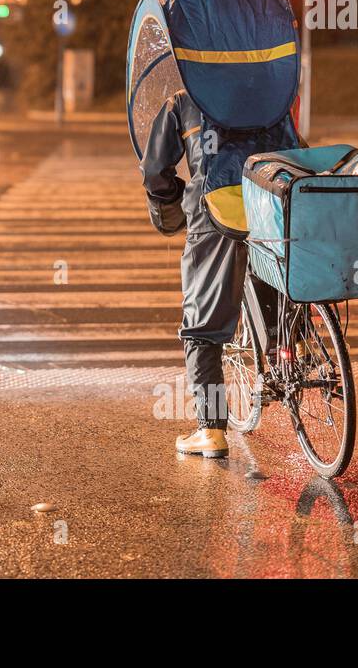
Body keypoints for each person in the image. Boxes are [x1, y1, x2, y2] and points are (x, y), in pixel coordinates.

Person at [140, 89, 244, 459]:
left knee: (202, 326)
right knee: (277, 280)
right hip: (275, 200)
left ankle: (211, 429)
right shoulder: (268, 87)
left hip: (217, 211)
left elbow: (155, 171)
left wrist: (175, 200)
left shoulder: (185, 99)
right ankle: (289, 349)